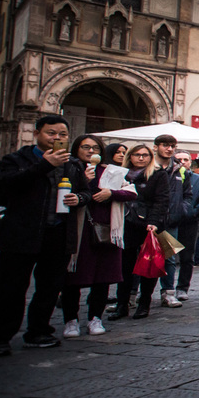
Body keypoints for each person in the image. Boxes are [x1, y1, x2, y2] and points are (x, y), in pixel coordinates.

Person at [0, 115, 89, 353]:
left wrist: (79, 198)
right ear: (37, 133)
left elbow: (86, 191)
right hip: (22, 232)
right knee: (12, 287)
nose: (57, 138)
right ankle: (2, 335)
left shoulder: (72, 164)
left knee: (49, 286)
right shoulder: (16, 159)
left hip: (58, 232)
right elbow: (7, 186)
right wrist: (45, 165)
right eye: (51, 133)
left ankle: (38, 331)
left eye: (62, 134)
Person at [59, 136, 137, 338]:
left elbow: (131, 192)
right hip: (78, 230)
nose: (90, 151)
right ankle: (71, 320)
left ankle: (95, 318)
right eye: (86, 147)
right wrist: (84, 181)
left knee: (102, 277)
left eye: (95, 147)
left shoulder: (111, 171)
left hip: (106, 229)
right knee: (73, 277)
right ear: (76, 148)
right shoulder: (67, 168)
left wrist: (111, 193)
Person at [111, 143, 170, 321]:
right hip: (125, 222)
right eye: (137, 155)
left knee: (149, 265)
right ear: (130, 157)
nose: (141, 158)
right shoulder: (121, 174)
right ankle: (122, 304)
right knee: (125, 265)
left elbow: (162, 200)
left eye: (145, 155)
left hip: (149, 224)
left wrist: (154, 222)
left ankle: (144, 302)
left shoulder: (158, 174)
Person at [151, 134, 192, 308]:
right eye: (165, 145)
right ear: (155, 147)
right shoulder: (149, 166)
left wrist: (180, 210)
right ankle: (132, 294)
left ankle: (168, 293)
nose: (169, 149)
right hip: (148, 220)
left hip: (170, 220)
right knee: (143, 255)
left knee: (169, 257)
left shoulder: (179, 170)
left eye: (172, 146)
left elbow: (188, 195)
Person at [170, 150, 199, 302]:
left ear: (190, 162)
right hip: (169, 222)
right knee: (167, 257)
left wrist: (195, 211)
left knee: (187, 257)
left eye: (185, 159)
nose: (182, 162)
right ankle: (167, 288)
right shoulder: (167, 177)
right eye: (178, 159)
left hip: (190, 223)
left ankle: (182, 287)